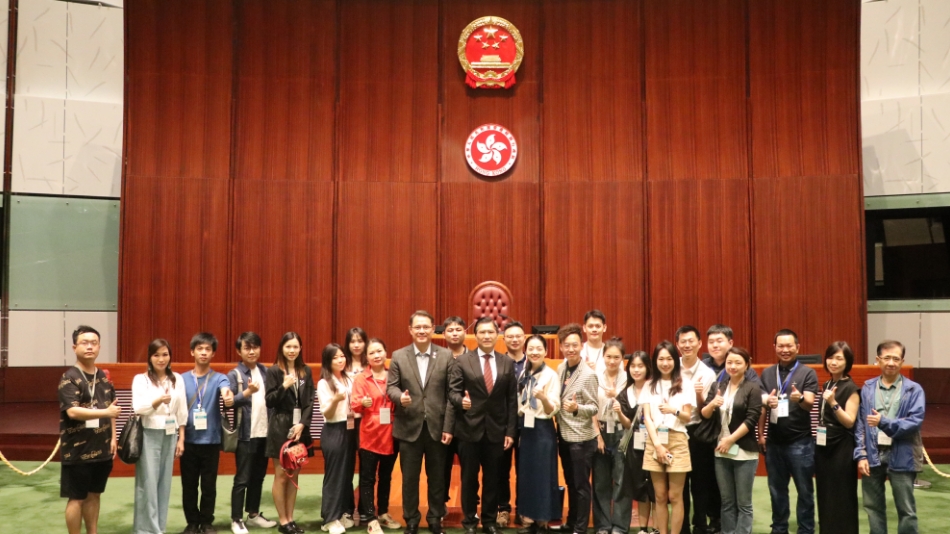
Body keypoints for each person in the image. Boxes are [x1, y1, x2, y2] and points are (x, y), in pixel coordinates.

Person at [386, 310, 456, 534]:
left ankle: (435, 518)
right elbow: (391, 387)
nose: (422, 331)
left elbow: (451, 394)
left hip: (437, 427)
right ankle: (412, 519)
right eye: (418, 327)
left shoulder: (445, 355)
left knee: (437, 478)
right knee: (409, 479)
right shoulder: (399, 355)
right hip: (409, 426)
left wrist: (448, 426)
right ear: (410, 330)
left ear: (433, 328)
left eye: (426, 326)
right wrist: (400, 398)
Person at [449, 317, 518, 534]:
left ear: (497, 335)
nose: (486, 336)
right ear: (475, 335)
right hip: (468, 429)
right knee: (469, 479)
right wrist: (462, 402)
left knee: (493, 479)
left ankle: (489, 521)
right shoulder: (462, 361)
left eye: (490, 332)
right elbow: (452, 392)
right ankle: (469, 521)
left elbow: (511, 401)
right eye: (482, 332)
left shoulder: (506, 362)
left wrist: (510, 430)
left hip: (497, 431)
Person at [855, 340, 926, 534]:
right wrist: (861, 455)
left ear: (902, 361)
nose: (891, 363)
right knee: (873, 508)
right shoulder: (868, 388)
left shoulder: (913, 389)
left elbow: (914, 422)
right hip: (873, 454)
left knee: (906, 510)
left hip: (902, 454)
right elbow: (861, 424)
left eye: (896, 358)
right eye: (887, 358)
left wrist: (883, 422)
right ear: (877, 360)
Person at [59, 325, 121, 534]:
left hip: (102, 447)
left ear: (99, 347)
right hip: (77, 450)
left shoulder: (103, 376)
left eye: (94, 343)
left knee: (94, 494)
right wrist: (105, 413)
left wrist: (113, 437)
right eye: (84, 343)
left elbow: (112, 407)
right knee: (76, 497)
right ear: (75, 347)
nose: (89, 347)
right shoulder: (69, 377)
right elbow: (73, 412)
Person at [758, 329, 818, 534]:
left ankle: (806, 529)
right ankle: (779, 528)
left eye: (789, 346)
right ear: (774, 348)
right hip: (774, 442)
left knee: (805, 491)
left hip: (800, 442)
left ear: (797, 347)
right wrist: (761, 435)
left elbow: (810, 404)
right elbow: (762, 407)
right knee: (776, 491)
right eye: (780, 346)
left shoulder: (807, 373)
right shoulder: (767, 373)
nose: (785, 350)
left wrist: (800, 398)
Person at [700, 347, 761, 534]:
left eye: (738, 363)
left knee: (743, 503)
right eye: (729, 362)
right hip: (720, 450)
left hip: (744, 451)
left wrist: (730, 440)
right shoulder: (719, 386)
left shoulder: (753, 388)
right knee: (726, 502)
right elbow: (705, 414)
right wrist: (712, 403)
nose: (732, 366)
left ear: (747, 365)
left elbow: (751, 420)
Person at [181, 332, 235, 534]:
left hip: (211, 440)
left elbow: (226, 391)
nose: (203, 353)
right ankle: (192, 522)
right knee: (189, 485)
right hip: (188, 441)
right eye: (200, 349)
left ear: (213, 353)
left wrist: (228, 397)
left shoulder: (219, 378)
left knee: (209, 485)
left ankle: (206, 522)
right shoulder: (182, 379)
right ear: (192, 352)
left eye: (208, 349)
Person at [132, 339, 187, 534]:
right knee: (148, 482)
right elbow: (138, 408)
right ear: (149, 357)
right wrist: (157, 401)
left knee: (164, 484)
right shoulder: (141, 379)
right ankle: (145, 530)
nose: (161, 359)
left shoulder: (177, 379)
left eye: (165, 354)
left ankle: (159, 527)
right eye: (156, 355)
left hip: (170, 435)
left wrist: (181, 438)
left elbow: (182, 411)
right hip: (149, 434)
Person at [640, 341, 693, 534]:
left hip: (677, 439)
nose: (665, 363)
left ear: (675, 360)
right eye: (661, 359)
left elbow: (688, 417)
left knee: (675, 495)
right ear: (655, 361)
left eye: (669, 358)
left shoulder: (684, 384)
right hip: (655, 441)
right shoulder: (649, 385)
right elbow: (647, 418)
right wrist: (657, 446)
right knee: (660, 496)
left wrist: (674, 410)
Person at [228, 332, 278, 533]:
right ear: (239, 351)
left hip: (265, 433)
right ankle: (236, 519)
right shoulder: (235, 375)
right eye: (247, 348)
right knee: (242, 478)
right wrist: (247, 393)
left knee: (258, 477)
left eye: (255, 347)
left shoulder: (266, 371)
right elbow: (228, 401)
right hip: (245, 434)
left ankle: (253, 514)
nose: (252, 351)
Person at [266, 332, 315, 534]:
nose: (292, 350)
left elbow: (310, 401)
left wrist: (303, 424)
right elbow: (270, 400)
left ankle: (291, 518)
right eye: (288, 347)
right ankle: (283, 520)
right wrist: (284, 387)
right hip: (280, 426)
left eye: (295, 347)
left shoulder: (306, 371)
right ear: (281, 348)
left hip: (299, 428)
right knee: (282, 475)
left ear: (300, 348)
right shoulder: (274, 372)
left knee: (294, 473)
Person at [351, 339, 402, 530]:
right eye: (372, 353)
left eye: (379, 351)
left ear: (386, 352)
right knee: (368, 478)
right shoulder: (361, 379)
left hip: (392, 432)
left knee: (386, 476)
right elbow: (354, 404)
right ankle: (370, 519)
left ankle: (383, 513)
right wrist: (361, 404)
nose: (376, 355)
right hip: (370, 433)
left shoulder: (394, 374)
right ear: (367, 357)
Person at [555, 323, 600, 534]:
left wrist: (576, 408)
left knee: (582, 486)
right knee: (571, 483)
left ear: (581, 345)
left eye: (574, 345)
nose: (570, 349)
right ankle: (571, 522)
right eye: (566, 345)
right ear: (561, 347)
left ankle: (580, 528)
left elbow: (593, 407)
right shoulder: (561, 368)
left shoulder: (588, 374)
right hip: (564, 436)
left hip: (582, 439)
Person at [674, 326, 719, 534]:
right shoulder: (673, 370)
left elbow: (706, 412)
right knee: (679, 484)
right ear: (677, 345)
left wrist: (700, 396)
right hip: (676, 431)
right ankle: (682, 527)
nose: (687, 345)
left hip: (698, 432)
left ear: (700, 344)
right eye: (683, 341)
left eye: (691, 341)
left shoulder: (708, 374)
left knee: (700, 484)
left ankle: (700, 526)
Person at [516, 335, 561, 534]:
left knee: (543, 476)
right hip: (526, 430)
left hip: (543, 429)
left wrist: (542, 398)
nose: (534, 352)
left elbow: (553, 409)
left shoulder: (551, 375)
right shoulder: (524, 374)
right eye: (531, 348)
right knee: (526, 475)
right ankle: (528, 518)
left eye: (538, 349)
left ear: (546, 351)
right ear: (526, 351)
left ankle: (542, 520)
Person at [814, 341, 859, 534]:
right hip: (824, 445)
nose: (833, 362)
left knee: (842, 495)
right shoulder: (828, 383)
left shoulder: (851, 388)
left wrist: (833, 403)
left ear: (847, 362)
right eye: (830, 357)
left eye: (839, 358)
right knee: (825, 493)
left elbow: (849, 421)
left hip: (841, 446)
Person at [592, 339, 631, 534]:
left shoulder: (629, 379)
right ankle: (603, 525)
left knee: (621, 480)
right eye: (609, 356)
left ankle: (620, 526)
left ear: (623, 359)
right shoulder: (595, 377)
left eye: (617, 357)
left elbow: (633, 409)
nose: (612, 361)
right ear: (603, 357)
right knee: (600, 482)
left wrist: (618, 394)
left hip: (622, 431)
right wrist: (597, 434)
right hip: (600, 430)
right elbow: (591, 408)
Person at [616, 351, 656, 534]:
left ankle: (657, 527)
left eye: (640, 366)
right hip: (634, 447)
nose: (636, 370)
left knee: (657, 489)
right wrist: (619, 413)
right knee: (640, 488)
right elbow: (627, 425)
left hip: (656, 443)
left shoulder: (656, 388)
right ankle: (643, 528)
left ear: (648, 367)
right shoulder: (625, 392)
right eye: (633, 366)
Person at [318, 343, 355, 534]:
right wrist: (335, 400)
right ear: (327, 361)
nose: (340, 360)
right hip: (334, 429)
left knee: (346, 474)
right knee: (334, 475)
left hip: (350, 428)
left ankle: (341, 513)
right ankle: (329, 519)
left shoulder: (348, 378)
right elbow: (327, 412)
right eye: (335, 357)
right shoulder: (324, 382)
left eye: (342, 356)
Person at [499, 320, 528, 528]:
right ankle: (503, 509)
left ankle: (523, 509)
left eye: (518, 336)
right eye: (510, 336)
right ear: (504, 339)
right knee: (501, 469)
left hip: (528, 426)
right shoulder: (499, 363)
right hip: (502, 426)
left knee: (524, 469)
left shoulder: (533, 362)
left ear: (524, 338)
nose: (514, 339)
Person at [343, 327, 369, 527]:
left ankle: (365, 507)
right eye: (353, 341)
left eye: (360, 341)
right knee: (347, 465)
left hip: (367, 420)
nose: (357, 345)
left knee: (367, 465)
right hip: (347, 419)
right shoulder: (342, 365)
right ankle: (347, 508)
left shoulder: (371, 364)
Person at [441, 316, 468, 507]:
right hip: (442, 422)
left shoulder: (474, 357)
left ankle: (470, 506)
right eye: (450, 330)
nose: (455, 333)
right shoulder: (439, 357)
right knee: (441, 467)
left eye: (458, 329)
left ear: (465, 332)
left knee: (469, 468)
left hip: (468, 422)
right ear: (443, 334)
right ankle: (440, 504)